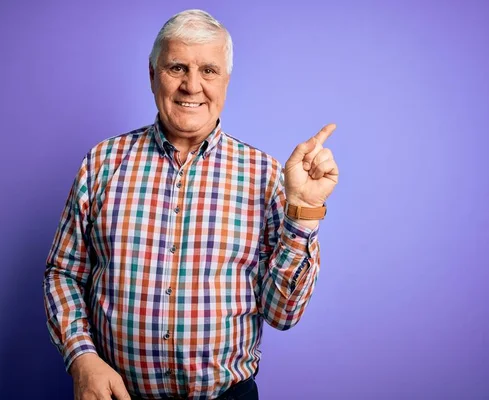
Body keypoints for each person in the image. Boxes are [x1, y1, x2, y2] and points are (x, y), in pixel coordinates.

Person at [43, 9, 339, 400]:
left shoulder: (263, 174)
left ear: (226, 81)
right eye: (177, 68)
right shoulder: (102, 163)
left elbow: (282, 314)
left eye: (209, 71)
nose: (192, 86)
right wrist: (82, 357)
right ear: (152, 76)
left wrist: (302, 210)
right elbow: (62, 272)